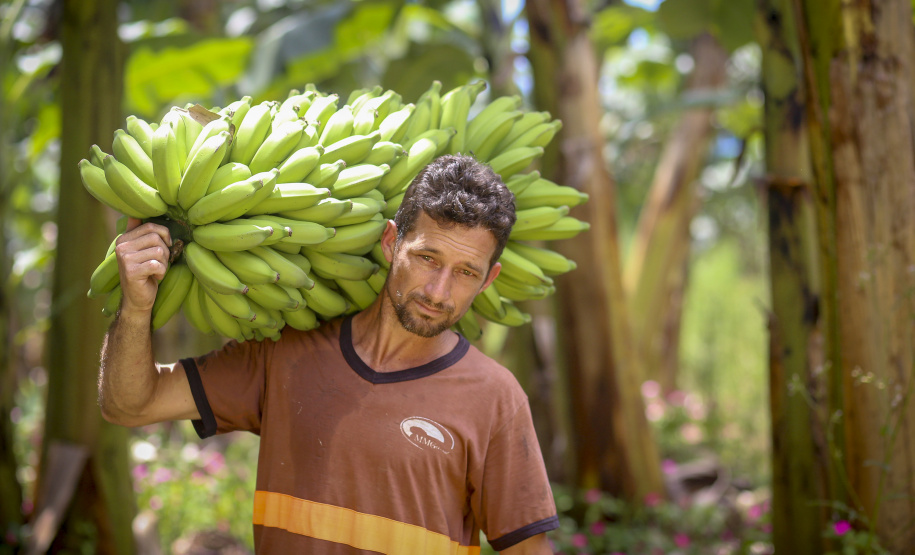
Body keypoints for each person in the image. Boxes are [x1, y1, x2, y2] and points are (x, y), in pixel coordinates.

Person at [99, 154, 559, 554]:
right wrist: (136, 309)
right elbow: (129, 403)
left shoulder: (495, 398)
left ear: (489, 278)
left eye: (465, 272)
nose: (439, 292)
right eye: (427, 259)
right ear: (390, 242)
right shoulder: (286, 355)